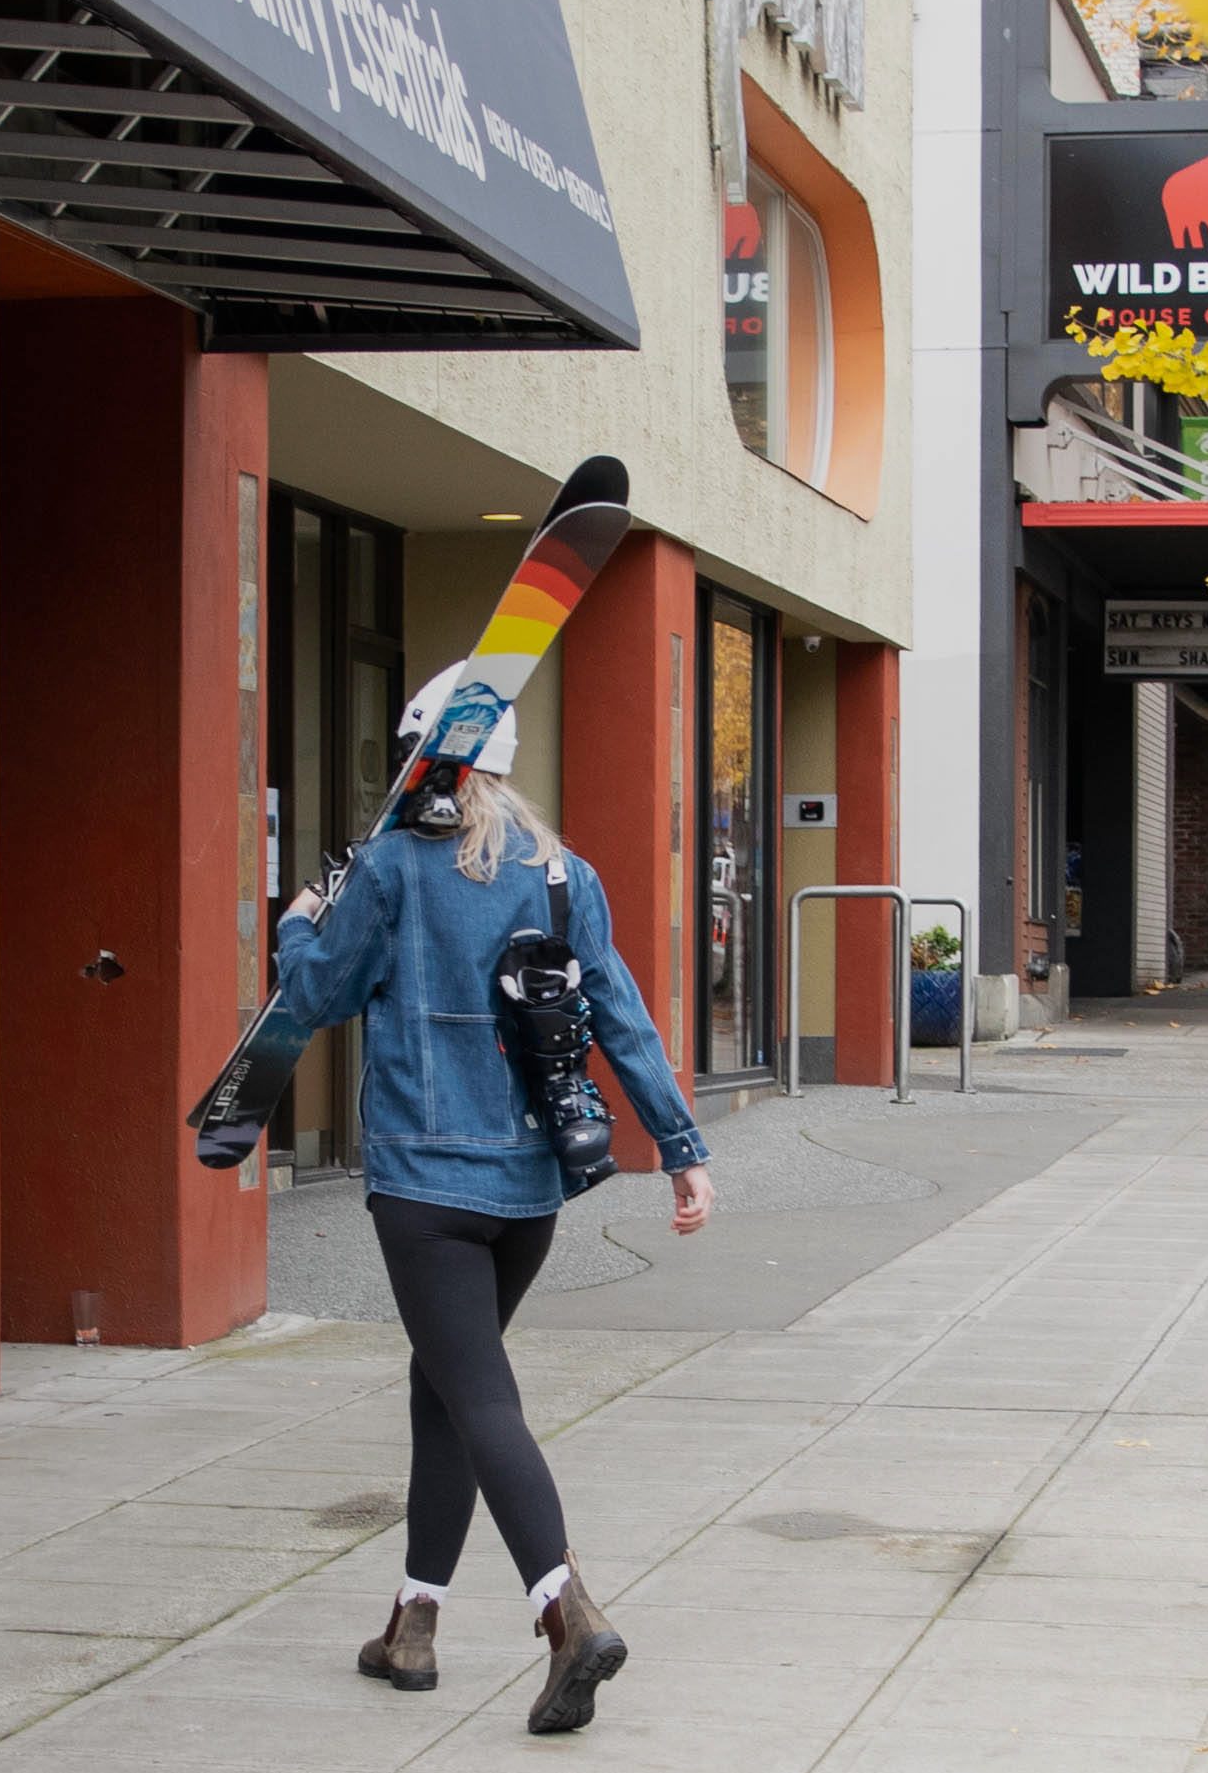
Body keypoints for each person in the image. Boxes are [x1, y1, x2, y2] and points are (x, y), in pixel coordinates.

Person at [266, 666, 712, 1736]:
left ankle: (568, 1611)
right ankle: (411, 1624)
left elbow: (311, 996)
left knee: (481, 1398)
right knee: (448, 1391)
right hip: (528, 1189)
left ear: (421, 758)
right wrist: (682, 1144)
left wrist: (297, 921)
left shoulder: (390, 867)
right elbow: (623, 1016)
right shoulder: (565, 875)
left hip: (424, 1184)